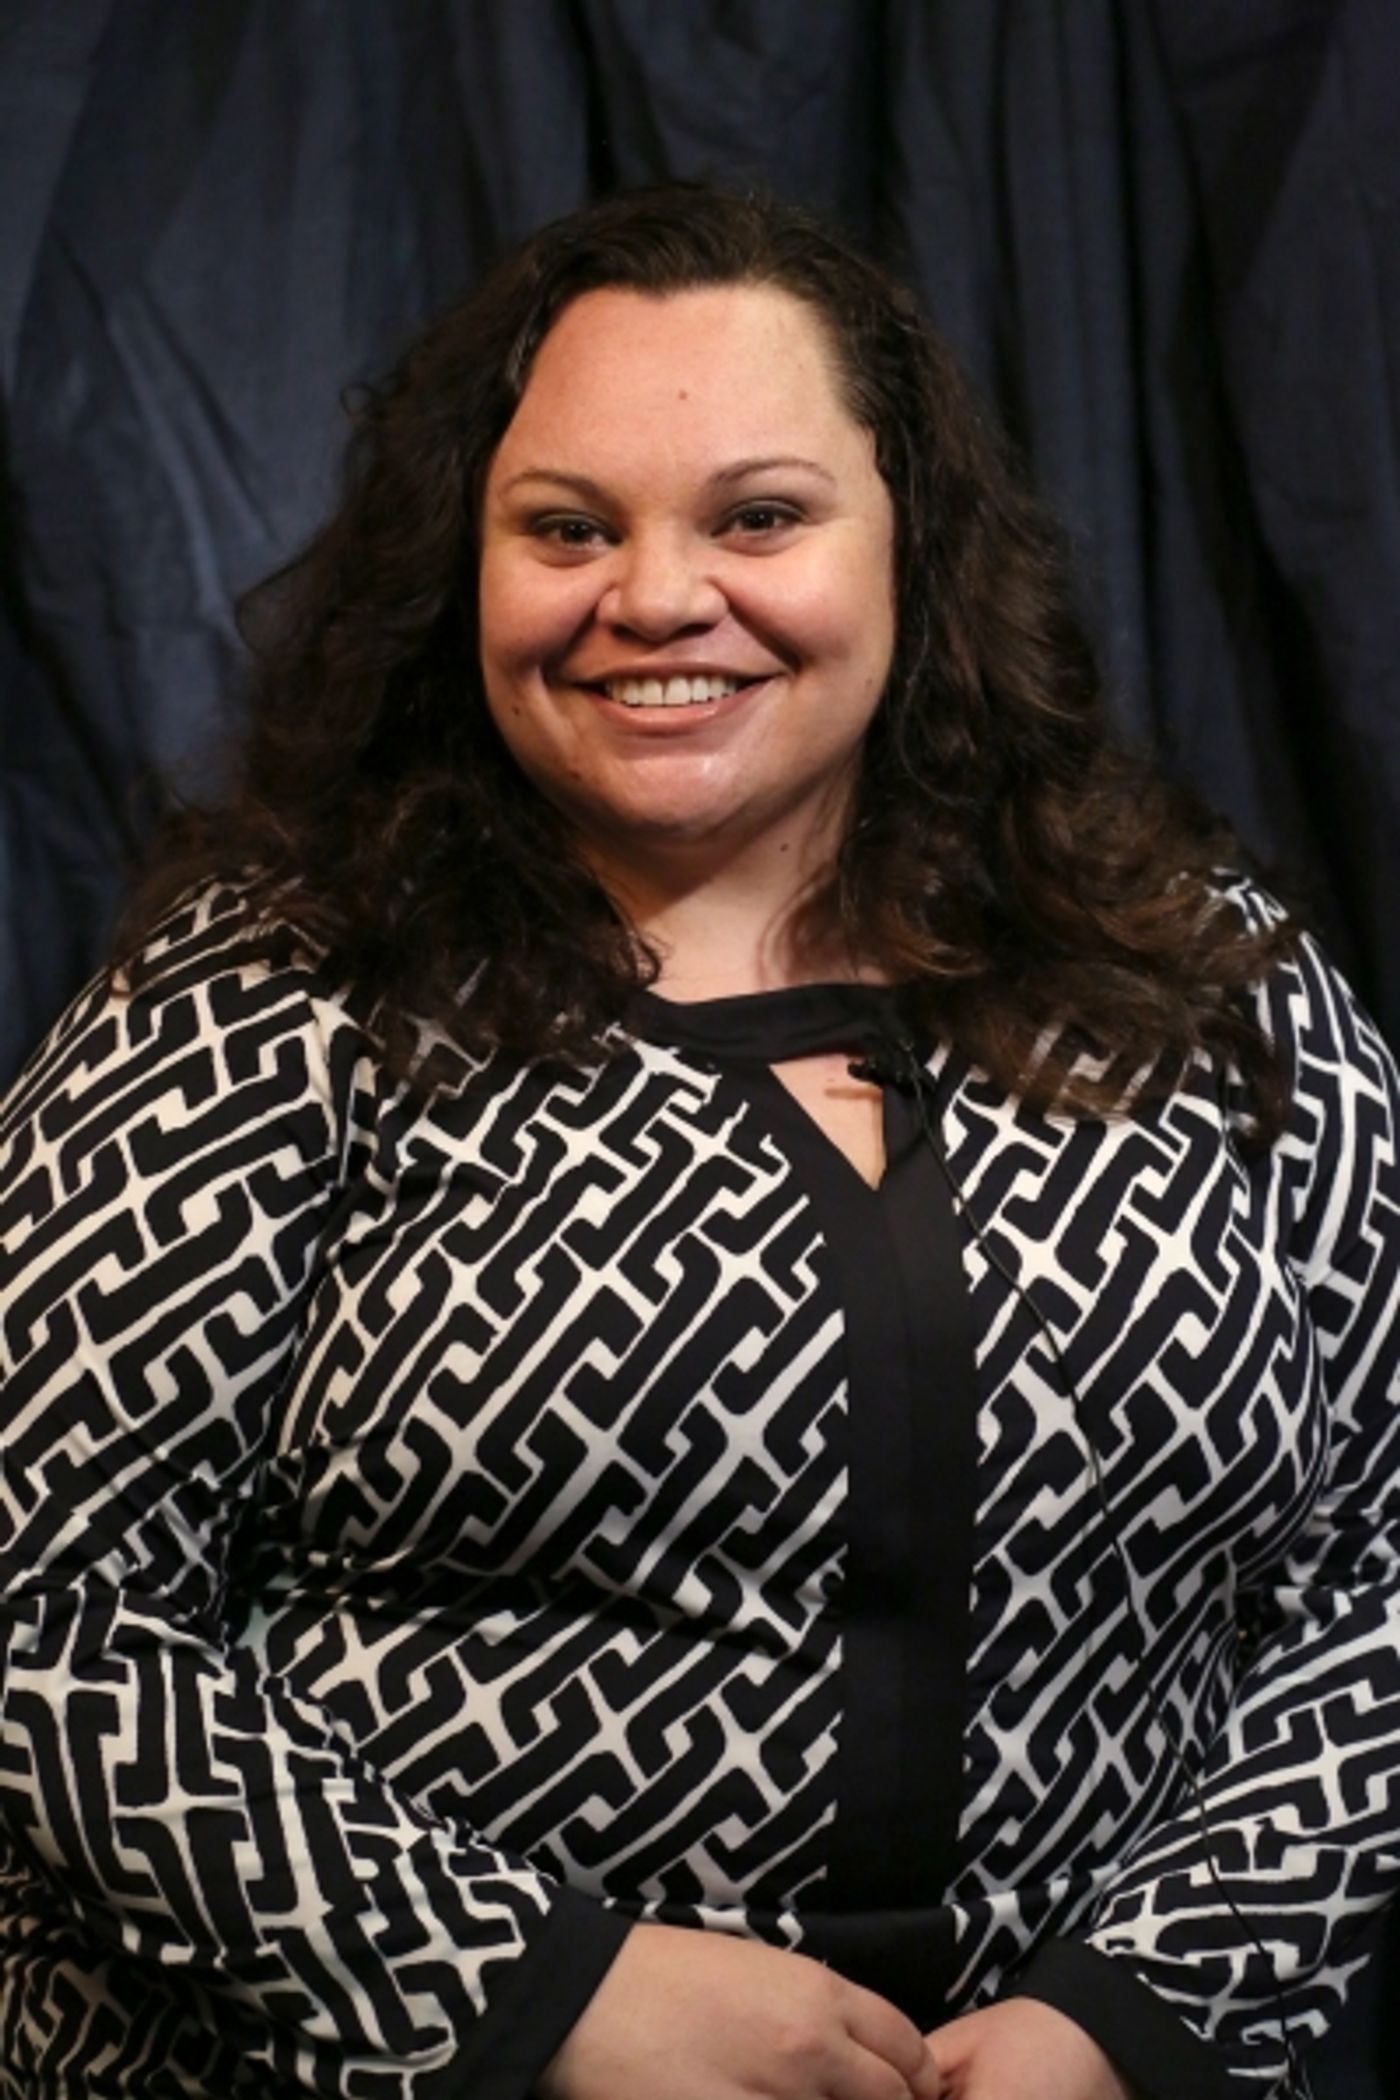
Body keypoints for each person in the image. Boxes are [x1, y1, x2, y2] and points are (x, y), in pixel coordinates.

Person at [0, 182, 1395, 2100]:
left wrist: (1137, 2013)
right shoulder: (268, 998)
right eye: (567, 528)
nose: (655, 597)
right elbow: (47, 1612)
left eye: (759, 515)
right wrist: (530, 1988)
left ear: (915, 547)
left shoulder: (1204, 981)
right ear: (461, 566)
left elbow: (1376, 1579)